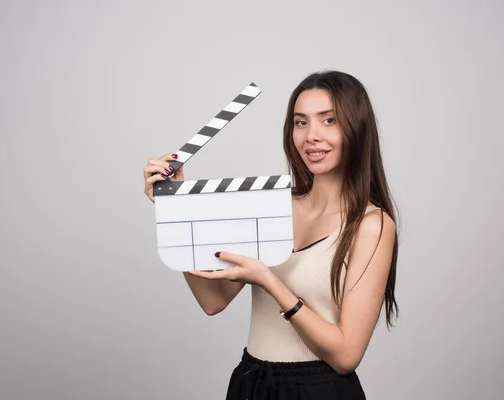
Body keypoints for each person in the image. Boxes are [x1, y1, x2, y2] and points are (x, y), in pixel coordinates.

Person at [142, 70, 399, 400]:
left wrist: (271, 282)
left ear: (356, 128)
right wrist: (175, 210)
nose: (311, 136)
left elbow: (347, 356)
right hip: (253, 382)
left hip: (319, 390)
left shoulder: (371, 225)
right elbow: (213, 300)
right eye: (301, 122)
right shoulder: (271, 205)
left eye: (329, 120)